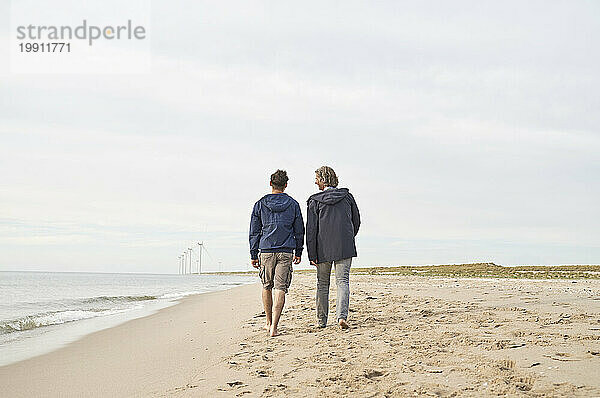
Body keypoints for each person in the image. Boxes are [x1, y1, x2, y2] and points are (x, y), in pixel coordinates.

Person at [249, 169, 304, 337]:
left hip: (266, 250)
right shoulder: (293, 204)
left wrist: (253, 253)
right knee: (281, 288)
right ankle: (275, 326)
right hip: (286, 250)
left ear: (270, 184)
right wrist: (299, 250)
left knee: (267, 286)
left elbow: (254, 231)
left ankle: (268, 322)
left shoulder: (260, 204)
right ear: (285, 185)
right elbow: (299, 230)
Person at [306, 166, 360, 329]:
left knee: (323, 284)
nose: (315, 182)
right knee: (342, 281)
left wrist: (311, 253)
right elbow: (356, 221)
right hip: (344, 245)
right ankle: (341, 317)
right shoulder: (347, 197)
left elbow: (311, 229)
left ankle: (322, 321)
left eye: (316, 178)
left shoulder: (314, 200)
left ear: (323, 179)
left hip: (322, 248)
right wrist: (349, 236)